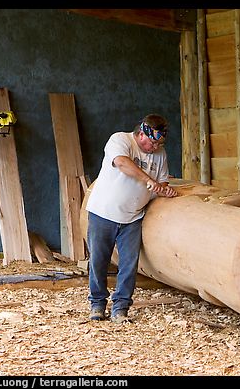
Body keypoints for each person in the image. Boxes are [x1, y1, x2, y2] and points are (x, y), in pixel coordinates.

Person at [85, 114, 178, 323]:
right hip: (103, 213)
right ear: (141, 133)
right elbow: (121, 163)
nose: (155, 147)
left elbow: (162, 183)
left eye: (159, 143)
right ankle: (97, 304)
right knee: (99, 261)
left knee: (129, 264)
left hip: (133, 217)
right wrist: (149, 180)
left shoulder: (160, 154)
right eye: (152, 142)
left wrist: (165, 191)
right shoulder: (120, 140)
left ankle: (120, 307)